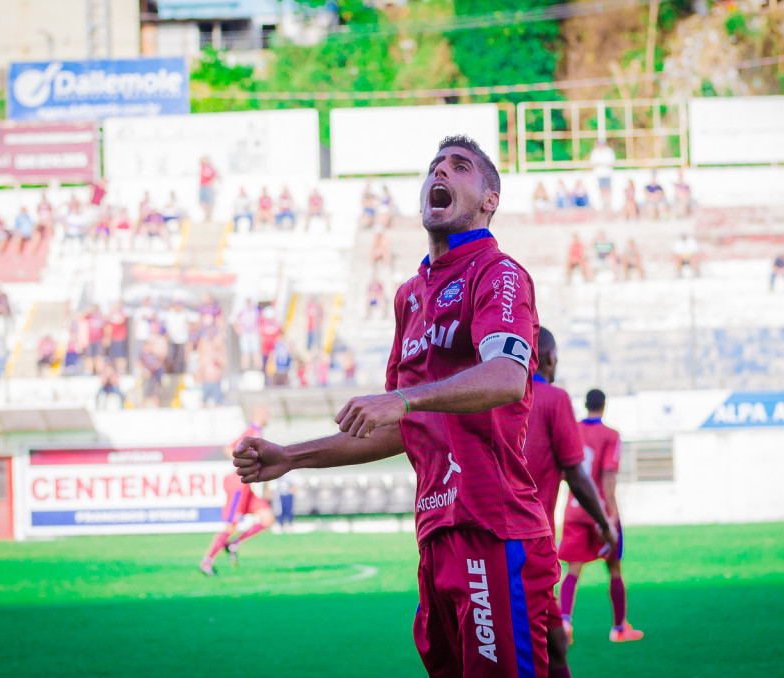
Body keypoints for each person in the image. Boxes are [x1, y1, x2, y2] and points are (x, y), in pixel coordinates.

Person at [233, 135, 559, 677]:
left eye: (460, 167)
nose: (442, 172)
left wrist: (404, 398)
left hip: (493, 527)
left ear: (488, 200)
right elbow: (397, 428)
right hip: (435, 536)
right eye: (436, 166)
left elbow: (506, 377)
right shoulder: (409, 295)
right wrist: (290, 456)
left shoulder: (497, 274)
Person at [523, 327, 618, 669]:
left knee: (551, 643)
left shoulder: (487, 397)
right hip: (531, 544)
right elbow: (576, 475)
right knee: (541, 648)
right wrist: (606, 523)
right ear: (548, 358)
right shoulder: (553, 399)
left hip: (490, 543)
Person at [558, 388, 644, 644]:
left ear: (585, 405)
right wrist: (610, 514)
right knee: (614, 567)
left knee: (572, 569)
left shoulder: (572, 429)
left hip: (574, 510)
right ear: (604, 406)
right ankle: (619, 628)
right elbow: (608, 475)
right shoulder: (611, 435)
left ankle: (565, 623)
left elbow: (564, 470)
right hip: (599, 513)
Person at [200, 405, 274, 575]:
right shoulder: (251, 431)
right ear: (260, 413)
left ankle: (234, 544)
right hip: (238, 487)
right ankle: (207, 562)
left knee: (267, 518)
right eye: (267, 412)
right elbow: (229, 448)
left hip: (248, 486)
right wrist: (243, 462)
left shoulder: (258, 432)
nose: (269, 415)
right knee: (230, 527)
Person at [234, 299, 262, 371]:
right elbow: (236, 321)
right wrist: (239, 330)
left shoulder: (257, 311)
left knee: (256, 351)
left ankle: (259, 368)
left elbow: (261, 321)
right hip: (245, 333)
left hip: (254, 333)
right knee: (245, 352)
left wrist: (258, 329)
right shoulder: (242, 312)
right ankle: (244, 369)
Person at [589, 138, 616, 213]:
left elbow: (612, 163)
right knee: (601, 191)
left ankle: (608, 205)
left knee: (607, 190)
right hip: (599, 175)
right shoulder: (595, 152)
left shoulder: (609, 151)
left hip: (607, 174)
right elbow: (592, 163)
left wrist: (602, 164)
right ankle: (603, 206)